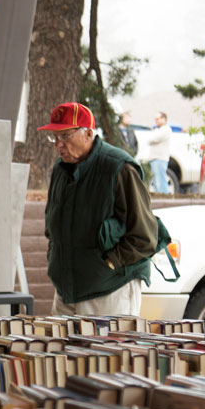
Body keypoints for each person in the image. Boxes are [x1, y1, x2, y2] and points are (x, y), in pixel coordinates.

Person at [39, 102, 158, 316]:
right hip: (66, 291)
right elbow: (52, 224)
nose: (58, 144)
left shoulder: (119, 167)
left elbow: (145, 236)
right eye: (54, 137)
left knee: (106, 350)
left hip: (110, 290)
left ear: (88, 133)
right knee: (60, 350)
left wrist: (110, 263)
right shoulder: (60, 169)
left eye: (65, 136)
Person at [145, 111, 172, 194]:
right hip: (155, 158)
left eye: (158, 119)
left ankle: (164, 196)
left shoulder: (165, 129)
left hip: (160, 158)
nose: (156, 121)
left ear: (164, 119)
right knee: (156, 181)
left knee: (160, 179)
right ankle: (159, 195)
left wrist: (154, 133)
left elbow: (153, 139)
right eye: (155, 119)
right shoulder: (159, 129)